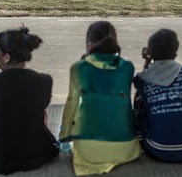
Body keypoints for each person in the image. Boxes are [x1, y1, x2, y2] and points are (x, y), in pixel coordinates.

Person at [59, 21, 141, 176]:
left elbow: (72, 105)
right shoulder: (128, 67)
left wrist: (64, 137)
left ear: (89, 44)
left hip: (89, 152)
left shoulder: (78, 68)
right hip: (125, 147)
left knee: (77, 119)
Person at [0, 26, 59, 175]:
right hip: (36, 154)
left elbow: (9, 91)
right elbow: (40, 105)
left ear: (6, 57)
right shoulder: (44, 81)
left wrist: (4, 70)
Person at [133, 29, 182, 162]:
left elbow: (148, 81)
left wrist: (147, 63)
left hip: (157, 148)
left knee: (141, 97)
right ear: (176, 52)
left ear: (150, 52)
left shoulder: (141, 79)